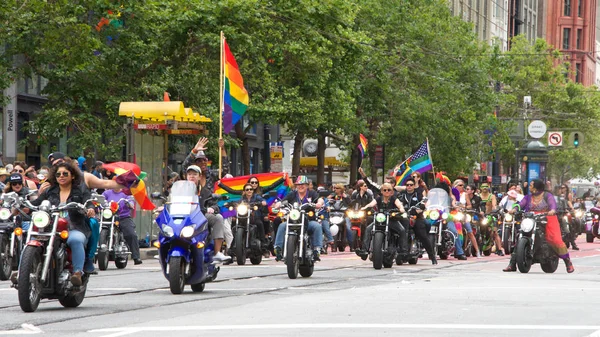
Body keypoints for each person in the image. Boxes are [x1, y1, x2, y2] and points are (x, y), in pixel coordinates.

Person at [41, 152, 134, 274]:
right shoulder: (50, 183)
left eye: (60, 163)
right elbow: (40, 201)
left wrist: (129, 181)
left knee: (94, 223)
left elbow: (105, 184)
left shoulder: (84, 178)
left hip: (78, 218)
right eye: (55, 168)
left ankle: (88, 258)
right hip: (53, 224)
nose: (61, 176)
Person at [31, 161, 95, 285]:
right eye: (58, 174)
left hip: (73, 227)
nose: (61, 176)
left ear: (73, 176)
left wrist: (90, 208)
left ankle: (77, 273)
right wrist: (24, 207)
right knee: (31, 239)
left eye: (65, 174)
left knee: (76, 240)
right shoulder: (49, 191)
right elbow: (37, 202)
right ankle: (22, 271)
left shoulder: (80, 190)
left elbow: (89, 201)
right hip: (50, 228)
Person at [503, 179, 575, 273]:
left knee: (555, 239)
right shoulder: (528, 197)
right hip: (531, 218)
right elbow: (521, 204)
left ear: (536, 188)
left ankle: (568, 263)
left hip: (547, 218)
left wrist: (552, 210)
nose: (529, 187)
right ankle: (512, 264)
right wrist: (514, 209)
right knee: (519, 235)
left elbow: (553, 205)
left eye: (531, 185)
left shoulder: (547, 196)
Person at [273, 175, 324, 261]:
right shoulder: (292, 194)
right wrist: (278, 204)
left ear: (307, 185)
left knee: (317, 226)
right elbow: (283, 201)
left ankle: (317, 249)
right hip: (293, 221)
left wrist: (319, 203)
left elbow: (320, 199)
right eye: (298, 184)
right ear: (296, 186)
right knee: (282, 226)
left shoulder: (312, 193)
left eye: (303, 184)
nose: (300, 186)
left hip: (308, 220)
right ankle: (278, 248)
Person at [185, 165, 229, 262]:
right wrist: (164, 206)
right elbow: (170, 201)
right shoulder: (180, 191)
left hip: (201, 216)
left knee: (218, 218)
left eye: (194, 174)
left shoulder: (205, 191)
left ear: (200, 176)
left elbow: (215, 205)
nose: (191, 176)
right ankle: (164, 248)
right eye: (189, 174)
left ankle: (217, 252)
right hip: (183, 217)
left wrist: (211, 208)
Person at [355, 183, 407, 260]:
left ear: (392, 191)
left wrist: (401, 209)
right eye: (384, 190)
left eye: (389, 190)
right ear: (382, 191)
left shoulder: (394, 199)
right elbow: (371, 204)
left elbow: (399, 205)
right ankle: (364, 251)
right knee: (368, 229)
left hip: (391, 220)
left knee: (402, 230)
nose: (387, 191)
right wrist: (364, 208)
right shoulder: (379, 198)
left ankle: (403, 251)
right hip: (380, 220)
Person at [397, 178, 436, 264]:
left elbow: (423, 203)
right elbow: (397, 201)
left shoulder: (418, 194)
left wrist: (419, 209)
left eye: (411, 185)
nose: (409, 186)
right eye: (407, 185)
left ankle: (432, 256)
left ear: (414, 185)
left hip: (416, 217)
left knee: (422, 235)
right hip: (404, 217)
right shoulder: (402, 194)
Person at [102, 186, 142, 265]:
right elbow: (101, 200)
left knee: (131, 234)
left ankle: (136, 257)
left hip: (123, 217)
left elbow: (131, 202)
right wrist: (99, 202)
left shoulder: (126, 193)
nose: (117, 185)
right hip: (109, 217)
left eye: (119, 183)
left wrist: (129, 203)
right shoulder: (107, 193)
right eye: (115, 183)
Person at [479, 183, 505, 256]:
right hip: (480, 217)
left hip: (490, 215)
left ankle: (499, 249)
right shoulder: (478, 196)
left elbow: (494, 206)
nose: (485, 188)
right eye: (483, 187)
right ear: (480, 188)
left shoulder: (492, 196)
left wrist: (495, 211)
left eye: (486, 187)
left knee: (495, 232)